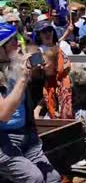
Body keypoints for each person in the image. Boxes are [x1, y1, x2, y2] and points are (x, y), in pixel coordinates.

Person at [0, 23, 62, 183]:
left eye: (16, 39)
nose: (17, 43)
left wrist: (42, 67)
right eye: (11, 41)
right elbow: (4, 114)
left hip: (26, 134)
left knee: (53, 178)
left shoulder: (14, 64)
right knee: (33, 178)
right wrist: (22, 78)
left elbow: (42, 58)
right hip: (3, 141)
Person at [33, 48, 73, 120]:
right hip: (54, 117)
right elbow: (47, 98)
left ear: (55, 64)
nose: (41, 67)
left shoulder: (70, 80)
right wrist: (37, 109)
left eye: (44, 64)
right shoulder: (50, 80)